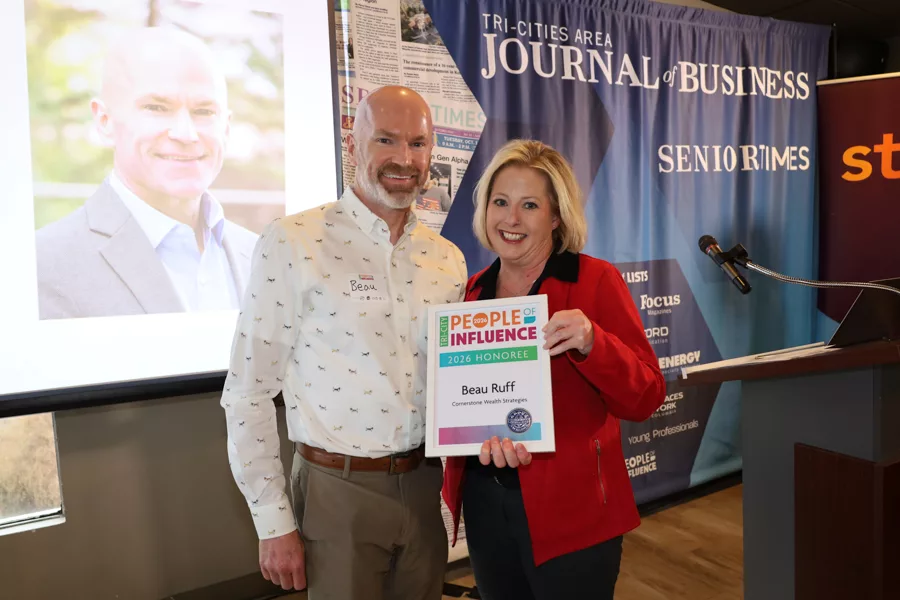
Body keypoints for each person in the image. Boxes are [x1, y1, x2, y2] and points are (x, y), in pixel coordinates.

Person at [220, 85, 467, 598]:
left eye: (418, 144)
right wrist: (273, 522)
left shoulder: (447, 260)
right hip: (337, 492)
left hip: (425, 487)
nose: (404, 159)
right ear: (353, 144)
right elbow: (247, 392)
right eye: (387, 140)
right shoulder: (294, 242)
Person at [441, 139, 666, 600]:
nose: (511, 219)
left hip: (574, 511)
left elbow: (646, 396)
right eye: (500, 202)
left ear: (557, 215)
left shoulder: (594, 281)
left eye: (530, 205)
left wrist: (592, 343)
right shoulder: (471, 293)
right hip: (487, 502)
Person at [35, 27, 258, 320]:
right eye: (156, 107)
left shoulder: (263, 254)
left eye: (204, 111)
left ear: (226, 127)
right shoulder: (42, 264)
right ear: (104, 121)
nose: (186, 134)